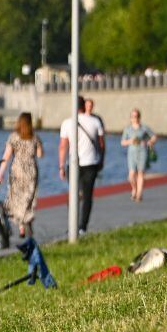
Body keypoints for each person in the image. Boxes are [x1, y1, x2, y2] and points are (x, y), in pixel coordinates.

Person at [59, 96, 106, 235]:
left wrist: (61, 166)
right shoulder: (95, 121)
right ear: (83, 106)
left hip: (73, 164)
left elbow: (63, 146)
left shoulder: (67, 123)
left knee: (73, 194)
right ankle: (83, 227)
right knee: (87, 196)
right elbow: (102, 144)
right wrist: (101, 160)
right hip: (91, 163)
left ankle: (72, 224)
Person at [0, 112, 43, 238]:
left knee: (16, 198)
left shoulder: (13, 137)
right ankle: (26, 220)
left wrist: (0, 173)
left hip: (17, 170)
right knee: (28, 198)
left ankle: (21, 227)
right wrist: (39, 146)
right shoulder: (34, 137)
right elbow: (40, 155)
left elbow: (6, 156)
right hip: (30, 171)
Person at [121, 108, 157, 202]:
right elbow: (122, 142)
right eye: (133, 116)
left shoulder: (144, 128)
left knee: (141, 173)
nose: (134, 118)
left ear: (139, 117)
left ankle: (139, 194)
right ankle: (134, 188)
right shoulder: (127, 129)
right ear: (130, 118)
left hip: (142, 151)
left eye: (136, 116)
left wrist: (150, 142)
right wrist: (130, 141)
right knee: (131, 174)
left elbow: (154, 136)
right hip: (131, 153)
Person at [84, 97, 107, 171]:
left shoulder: (97, 119)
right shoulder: (80, 118)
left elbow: (101, 137)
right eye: (87, 105)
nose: (89, 107)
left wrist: (102, 155)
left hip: (95, 150)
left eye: (91, 105)